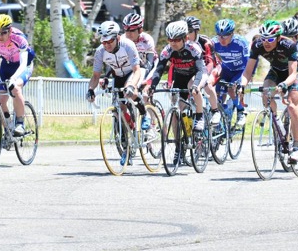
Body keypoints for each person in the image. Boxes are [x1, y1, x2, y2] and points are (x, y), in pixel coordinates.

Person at [239, 20, 298, 164]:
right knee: (266, 93)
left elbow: (293, 74)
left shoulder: (289, 45)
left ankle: (297, 146)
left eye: (270, 39)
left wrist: (284, 85)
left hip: (294, 73)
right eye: (263, 38)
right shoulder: (257, 45)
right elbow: (248, 71)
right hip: (275, 71)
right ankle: (278, 124)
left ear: (279, 38)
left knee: (293, 105)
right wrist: (241, 85)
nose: (266, 42)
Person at [87, 21, 144, 165]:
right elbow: (95, 76)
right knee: (119, 112)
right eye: (104, 41)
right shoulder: (100, 51)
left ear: (117, 37)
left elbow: (137, 70)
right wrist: (90, 90)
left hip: (133, 72)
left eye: (110, 41)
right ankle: (126, 145)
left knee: (129, 91)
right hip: (118, 76)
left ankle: (142, 108)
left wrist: (131, 85)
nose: (107, 44)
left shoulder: (128, 45)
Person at [147, 21, 209, 139]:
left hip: (196, 74)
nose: (173, 43)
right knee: (178, 110)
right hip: (180, 76)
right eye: (170, 40)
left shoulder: (193, 48)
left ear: (185, 38)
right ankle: (178, 144)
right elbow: (159, 70)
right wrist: (153, 86)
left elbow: (201, 70)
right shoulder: (167, 50)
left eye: (176, 40)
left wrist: (197, 85)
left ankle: (199, 117)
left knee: (193, 87)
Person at [210, 18, 249, 127]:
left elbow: (248, 64)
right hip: (225, 70)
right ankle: (220, 116)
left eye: (225, 35)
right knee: (215, 92)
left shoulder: (241, 42)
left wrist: (245, 80)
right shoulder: (213, 42)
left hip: (240, 70)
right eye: (219, 35)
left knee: (232, 89)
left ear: (232, 34)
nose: (222, 39)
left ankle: (241, 111)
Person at [185, 16, 221, 125]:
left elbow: (210, 62)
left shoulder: (205, 42)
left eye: (189, 31)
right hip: (197, 69)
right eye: (184, 32)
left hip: (213, 67)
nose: (186, 35)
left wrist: (204, 77)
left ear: (196, 31)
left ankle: (215, 111)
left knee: (207, 83)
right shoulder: (183, 42)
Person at [121, 12, 158, 89]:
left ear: (140, 30)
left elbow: (150, 61)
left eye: (132, 30)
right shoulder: (122, 40)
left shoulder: (146, 39)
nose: (128, 33)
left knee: (145, 93)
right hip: (135, 67)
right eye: (126, 30)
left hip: (150, 66)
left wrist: (144, 78)